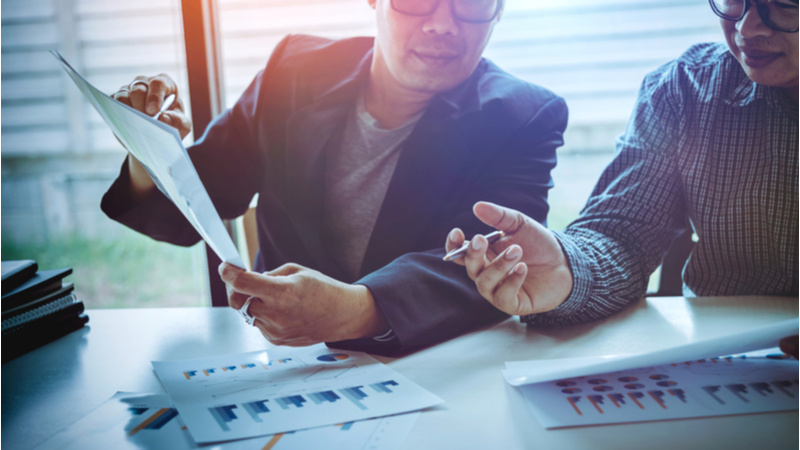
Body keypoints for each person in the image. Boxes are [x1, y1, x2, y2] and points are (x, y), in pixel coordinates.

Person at [101, 0, 568, 355]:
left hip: (432, 364)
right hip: (279, 362)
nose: (443, 22)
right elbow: (199, 205)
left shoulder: (523, 116)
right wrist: (150, 158)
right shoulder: (294, 68)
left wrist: (356, 309)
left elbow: (495, 268)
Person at [444, 0, 798, 356]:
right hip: (727, 366)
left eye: (784, 4)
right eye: (736, 0)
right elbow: (624, 235)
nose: (747, 27)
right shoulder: (684, 89)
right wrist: (567, 271)